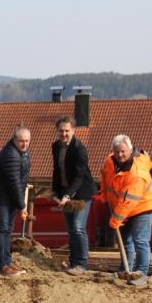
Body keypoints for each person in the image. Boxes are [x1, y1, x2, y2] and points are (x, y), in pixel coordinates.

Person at [100, 134, 152, 285]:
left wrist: (115, 219)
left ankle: (141, 273)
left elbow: (130, 201)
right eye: (117, 151)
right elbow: (105, 179)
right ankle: (125, 269)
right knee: (126, 241)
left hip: (143, 206)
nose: (120, 155)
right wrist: (105, 196)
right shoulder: (109, 161)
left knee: (140, 240)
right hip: (122, 207)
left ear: (130, 150)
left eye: (123, 151)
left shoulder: (137, 173)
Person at [51, 115, 96, 276]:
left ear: (73, 131)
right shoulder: (56, 146)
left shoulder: (79, 149)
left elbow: (79, 176)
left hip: (81, 193)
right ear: (57, 131)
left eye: (67, 131)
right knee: (71, 229)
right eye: (61, 130)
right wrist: (55, 191)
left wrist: (68, 195)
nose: (64, 134)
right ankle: (73, 262)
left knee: (78, 227)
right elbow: (57, 170)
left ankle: (81, 264)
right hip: (65, 192)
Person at [0, 126, 31, 277]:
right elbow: (13, 182)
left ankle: (7, 261)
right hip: (2, 198)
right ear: (14, 140)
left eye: (27, 141)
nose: (24, 144)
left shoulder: (24, 153)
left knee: (7, 230)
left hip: (10, 198)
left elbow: (22, 179)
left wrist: (19, 202)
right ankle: (1, 265)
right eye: (21, 141)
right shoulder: (11, 155)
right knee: (1, 229)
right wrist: (22, 205)